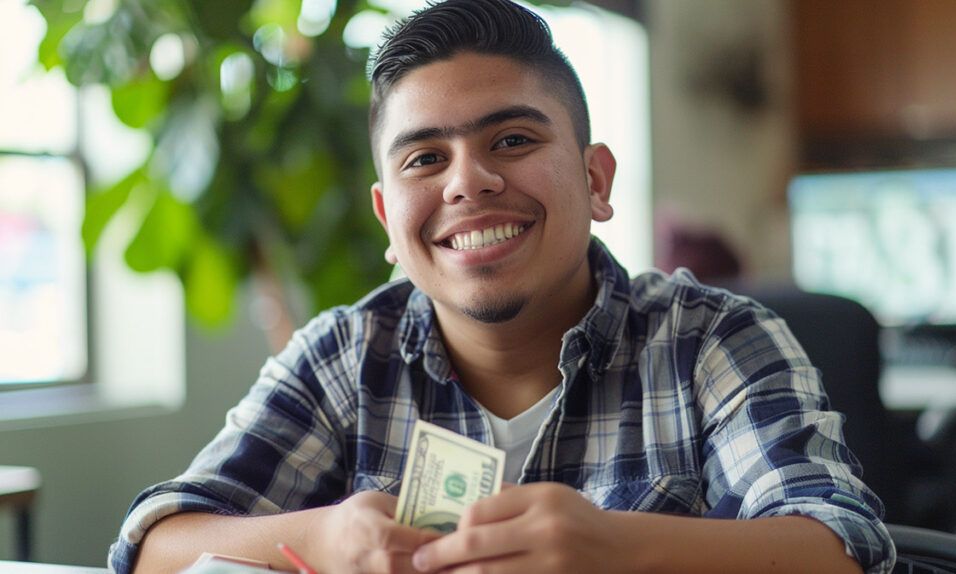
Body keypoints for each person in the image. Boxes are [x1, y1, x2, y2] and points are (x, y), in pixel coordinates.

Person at [110, 0, 895, 572]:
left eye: (512, 140)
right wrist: (322, 538)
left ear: (594, 180)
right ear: (389, 219)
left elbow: (842, 546)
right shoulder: (345, 356)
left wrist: (617, 548)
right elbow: (153, 546)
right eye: (425, 159)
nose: (469, 183)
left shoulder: (711, 341)